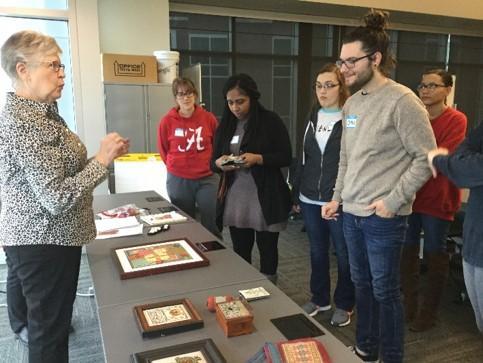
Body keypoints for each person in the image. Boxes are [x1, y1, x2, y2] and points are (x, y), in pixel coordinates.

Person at [0, 30, 129, 363]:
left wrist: (97, 160)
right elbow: (56, 196)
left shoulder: (41, 113)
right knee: (49, 333)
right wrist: (101, 160)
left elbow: (57, 175)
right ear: (22, 70)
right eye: (53, 65)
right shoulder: (26, 122)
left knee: (44, 322)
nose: (62, 73)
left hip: (36, 236)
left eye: (62, 66)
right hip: (45, 240)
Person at [321, 10, 436, 363]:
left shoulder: (403, 101)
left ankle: (391, 355)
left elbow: (427, 158)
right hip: (351, 213)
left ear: (375, 58)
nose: (344, 70)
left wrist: (393, 200)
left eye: (351, 61)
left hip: (382, 218)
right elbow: (346, 158)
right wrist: (337, 197)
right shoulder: (352, 103)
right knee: (362, 285)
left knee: (386, 291)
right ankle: (366, 347)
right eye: (341, 62)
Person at [401, 69, 467, 332]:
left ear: (447, 90)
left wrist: (424, 156)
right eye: (422, 85)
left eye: (432, 85)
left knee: (434, 254)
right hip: (411, 194)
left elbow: (442, 157)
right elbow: (407, 151)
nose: (425, 90)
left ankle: (428, 312)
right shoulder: (414, 116)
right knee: (406, 252)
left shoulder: (457, 119)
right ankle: (408, 305)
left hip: (438, 197)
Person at [211, 73, 292, 283]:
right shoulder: (226, 124)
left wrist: (259, 158)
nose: (235, 108)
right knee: (240, 250)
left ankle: (270, 290)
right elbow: (213, 161)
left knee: (267, 250)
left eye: (240, 102)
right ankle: (243, 286)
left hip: (264, 197)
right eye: (230, 103)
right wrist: (220, 164)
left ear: (252, 98)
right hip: (236, 199)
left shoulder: (270, 120)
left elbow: (285, 156)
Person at [292, 63, 355, 326]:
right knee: (317, 252)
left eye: (329, 85)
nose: (323, 90)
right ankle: (320, 298)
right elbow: (304, 158)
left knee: (343, 253)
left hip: (337, 199)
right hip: (309, 198)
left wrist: (340, 196)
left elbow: (354, 159)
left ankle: (345, 303)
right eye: (319, 85)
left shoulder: (351, 117)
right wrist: (296, 193)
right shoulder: (313, 116)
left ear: (342, 87)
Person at [428, 122, 483, 336]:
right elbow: (463, 154)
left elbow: (466, 170)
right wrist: (451, 162)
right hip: (475, 240)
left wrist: (438, 159)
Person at [158, 77, 220, 237]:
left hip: (207, 178)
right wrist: (177, 166)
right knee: (183, 223)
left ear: (195, 95)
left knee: (210, 220)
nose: (185, 97)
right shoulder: (167, 121)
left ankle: (215, 252)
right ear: (175, 98)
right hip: (179, 179)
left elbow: (218, 145)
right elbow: (164, 149)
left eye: (189, 93)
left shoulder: (208, 118)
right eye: (180, 94)